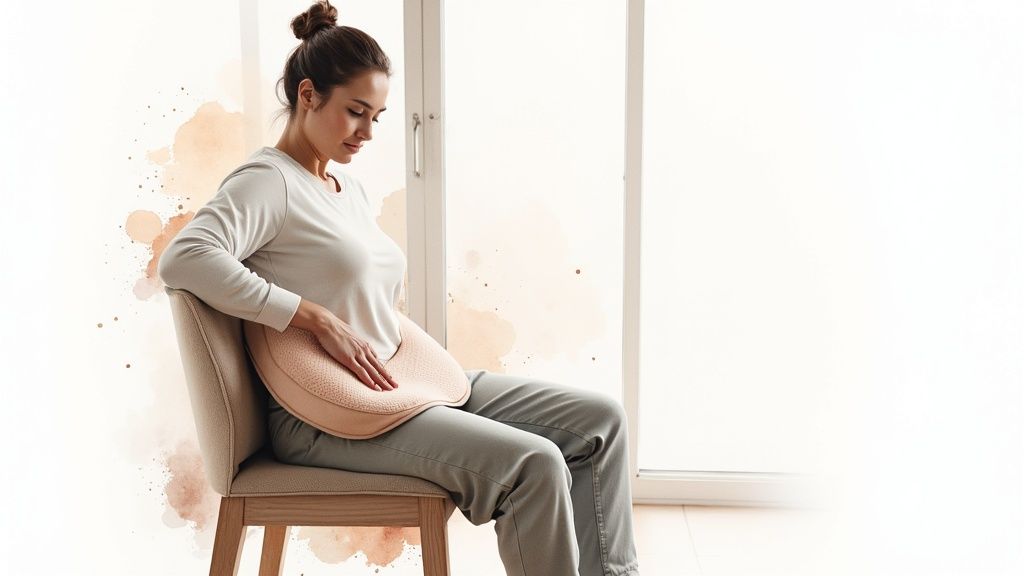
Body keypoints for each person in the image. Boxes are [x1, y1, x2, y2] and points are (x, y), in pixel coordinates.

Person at [157, 2, 640, 575]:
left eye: (377, 117)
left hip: (398, 380)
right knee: (533, 464)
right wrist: (309, 316)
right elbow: (184, 257)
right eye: (355, 112)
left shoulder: (345, 188)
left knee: (599, 423)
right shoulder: (268, 182)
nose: (367, 132)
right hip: (328, 413)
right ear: (308, 95)